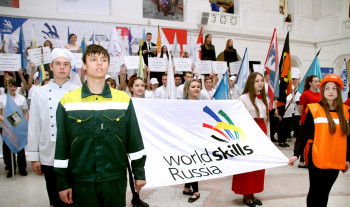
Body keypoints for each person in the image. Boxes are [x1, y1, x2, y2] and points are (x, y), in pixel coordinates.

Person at [54, 44, 146, 207]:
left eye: (103, 60)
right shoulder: (68, 101)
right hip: (81, 181)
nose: (99, 63)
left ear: (108, 65)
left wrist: (139, 173)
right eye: (93, 59)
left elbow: (135, 140)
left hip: (114, 180)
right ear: (83, 65)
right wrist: (62, 182)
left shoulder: (123, 100)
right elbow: (62, 145)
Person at [26, 48, 79, 207]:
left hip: (75, 153)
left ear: (70, 68)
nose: (62, 67)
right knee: (55, 198)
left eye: (65, 64)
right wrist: (34, 157)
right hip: (49, 153)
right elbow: (34, 125)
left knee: (75, 198)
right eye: (58, 64)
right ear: (51, 66)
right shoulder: (39, 92)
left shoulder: (79, 92)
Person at [288, 74, 350, 207]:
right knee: (315, 191)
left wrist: (347, 159)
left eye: (334, 88)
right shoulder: (314, 109)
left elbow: (348, 138)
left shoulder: (346, 112)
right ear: (323, 91)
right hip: (317, 159)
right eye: (327, 88)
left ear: (339, 91)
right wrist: (296, 154)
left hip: (336, 159)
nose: (331, 92)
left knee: (325, 192)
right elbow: (303, 134)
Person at [233, 72, 268, 207]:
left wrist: (268, 138)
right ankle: (246, 195)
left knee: (258, 165)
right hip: (248, 132)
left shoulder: (263, 98)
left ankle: (253, 193)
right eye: (257, 81)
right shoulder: (242, 98)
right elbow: (238, 119)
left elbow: (266, 120)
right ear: (250, 83)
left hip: (262, 131)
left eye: (261, 80)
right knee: (248, 166)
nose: (260, 83)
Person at [0, 79, 29, 178]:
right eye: (10, 86)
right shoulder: (2, 98)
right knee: (8, 147)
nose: (12, 88)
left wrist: (25, 123)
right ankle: (10, 168)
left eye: (14, 86)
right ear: (6, 87)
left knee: (20, 147)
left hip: (19, 127)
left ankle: (22, 167)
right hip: (6, 127)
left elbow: (25, 112)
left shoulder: (21, 98)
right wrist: (7, 122)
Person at [182, 78, 201, 203]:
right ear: (187, 89)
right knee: (188, 162)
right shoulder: (182, 103)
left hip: (197, 137)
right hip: (185, 137)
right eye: (193, 86)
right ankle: (193, 190)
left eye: (198, 86)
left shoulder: (201, 103)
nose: (196, 89)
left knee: (194, 162)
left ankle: (189, 187)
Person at [297, 75, 321, 168]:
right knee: (304, 140)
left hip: (317, 121)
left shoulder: (320, 94)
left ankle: (311, 159)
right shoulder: (305, 94)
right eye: (315, 81)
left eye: (318, 81)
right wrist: (304, 117)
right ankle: (301, 161)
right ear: (310, 83)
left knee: (313, 141)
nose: (318, 83)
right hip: (307, 121)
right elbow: (300, 108)